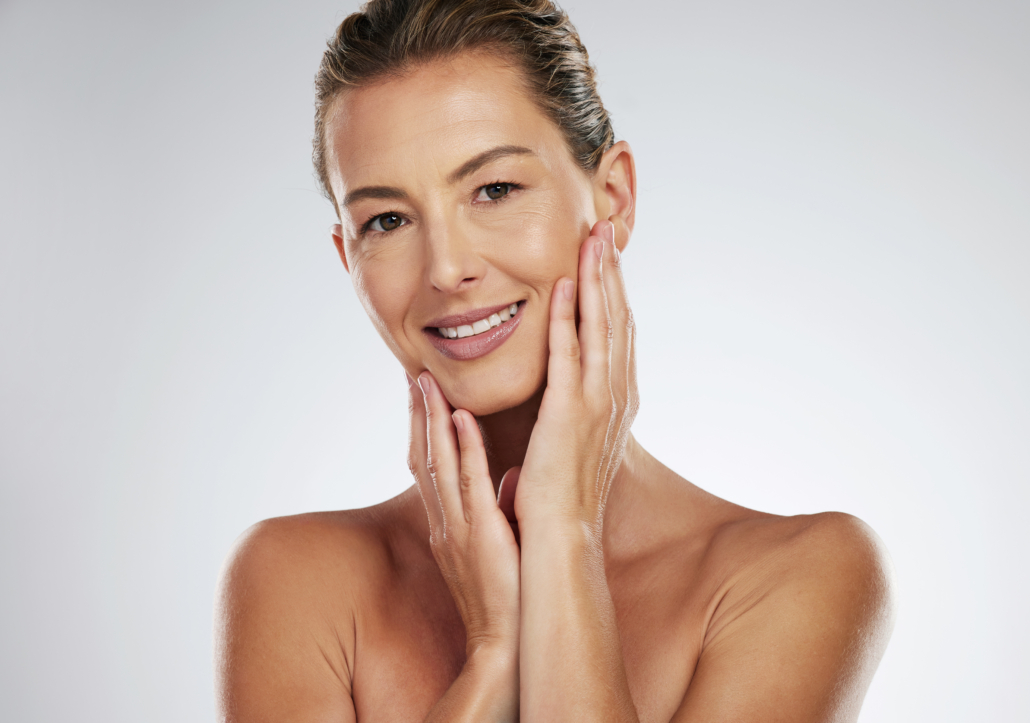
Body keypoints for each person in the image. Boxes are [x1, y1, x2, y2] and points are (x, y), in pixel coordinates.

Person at [214, 1, 896, 720]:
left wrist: (564, 534)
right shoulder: (295, 579)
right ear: (347, 256)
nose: (445, 268)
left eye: (495, 189)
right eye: (387, 220)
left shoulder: (800, 572)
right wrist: (494, 654)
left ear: (614, 197)